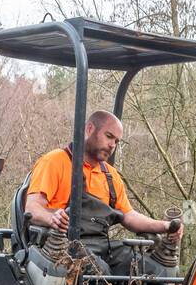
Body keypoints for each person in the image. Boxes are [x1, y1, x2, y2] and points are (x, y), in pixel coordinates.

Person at [24, 110, 181, 271]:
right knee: (100, 272)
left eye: (117, 141)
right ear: (90, 129)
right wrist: (52, 218)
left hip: (102, 247)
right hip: (62, 246)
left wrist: (166, 226)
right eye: (109, 136)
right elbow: (32, 208)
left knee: (149, 270)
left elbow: (129, 216)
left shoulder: (110, 176)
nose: (112, 144)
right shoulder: (56, 161)